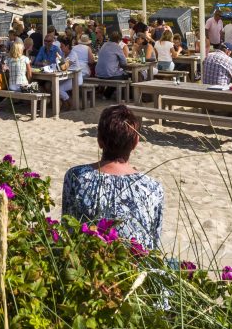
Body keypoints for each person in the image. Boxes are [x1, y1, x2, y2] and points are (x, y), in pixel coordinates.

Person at [62, 105, 165, 251]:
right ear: (135, 142)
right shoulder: (153, 187)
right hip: (137, 269)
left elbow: (68, 229)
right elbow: (154, 243)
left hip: (87, 264)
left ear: (99, 141)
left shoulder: (76, 176)